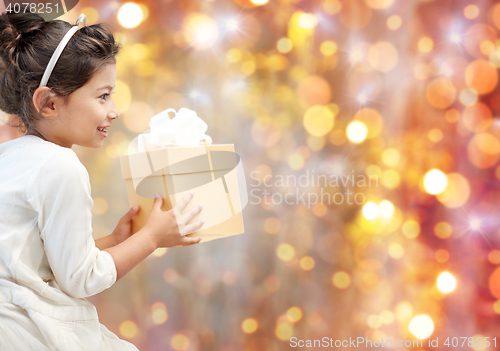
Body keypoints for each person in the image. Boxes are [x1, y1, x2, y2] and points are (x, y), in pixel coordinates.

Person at [0, 10, 204, 350]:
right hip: (29, 329)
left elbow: (46, 263)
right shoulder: (59, 165)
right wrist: (151, 238)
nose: (114, 111)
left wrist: (113, 240)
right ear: (48, 103)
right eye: (103, 96)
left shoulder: (10, 155)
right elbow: (80, 280)